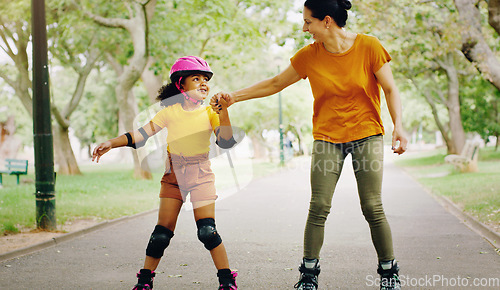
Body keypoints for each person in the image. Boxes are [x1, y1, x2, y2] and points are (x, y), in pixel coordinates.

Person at [211, 0, 408, 289]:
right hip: (328, 138)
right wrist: (234, 97)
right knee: (319, 206)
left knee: (372, 206)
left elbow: (390, 88)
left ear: (327, 21)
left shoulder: (369, 46)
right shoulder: (309, 55)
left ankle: (389, 272)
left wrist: (398, 127)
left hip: (367, 134)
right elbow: (276, 83)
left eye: (308, 22)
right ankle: (308, 274)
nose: (305, 28)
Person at [92, 56, 238, 290]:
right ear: (181, 85)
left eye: (206, 79)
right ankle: (144, 280)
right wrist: (112, 142)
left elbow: (226, 141)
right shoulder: (169, 112)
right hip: (173, 176)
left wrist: (223, 112)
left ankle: (227, 279)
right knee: (161, 233)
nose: (204, 83)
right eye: (196, 78)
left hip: (201, 175)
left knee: (207, 231)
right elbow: (140, 135)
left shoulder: (210, 112)